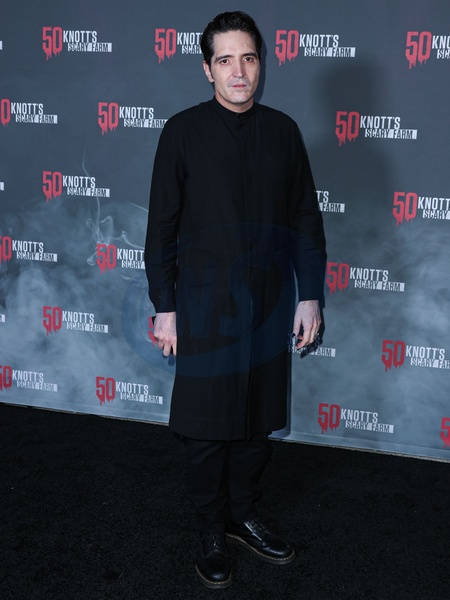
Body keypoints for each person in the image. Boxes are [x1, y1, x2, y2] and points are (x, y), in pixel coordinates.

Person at [145, 11, 326, 589]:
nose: (239, 71)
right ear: (208, 69)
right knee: (206, 429)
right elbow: (161, 227)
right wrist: (165, 307)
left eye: (248, 57)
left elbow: (305, 219)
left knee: (256, 424)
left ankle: (242, 515)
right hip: (204, 305)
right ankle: (209, 528)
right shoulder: (182, 132)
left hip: (271, 302)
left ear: (261, 63)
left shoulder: (284, 132)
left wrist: (309, 297)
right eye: (225, 60)